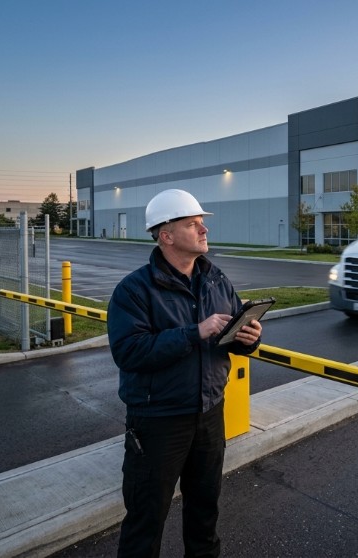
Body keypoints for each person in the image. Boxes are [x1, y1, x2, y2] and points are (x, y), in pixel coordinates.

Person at [107, 188, 262, 557]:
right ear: (166, 235)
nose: (204, 230)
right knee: (146, 521)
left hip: (209, 415)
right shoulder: (134, 290)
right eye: (193, 224)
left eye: (202, 223)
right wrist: (195, 332)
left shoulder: (216, 281)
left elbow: (229, 339)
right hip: (158, 420)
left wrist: (249, 339)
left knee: (205, 515)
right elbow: (128, 352)